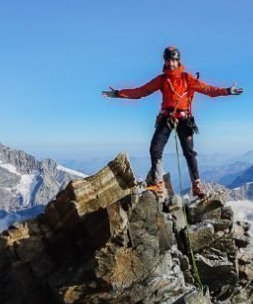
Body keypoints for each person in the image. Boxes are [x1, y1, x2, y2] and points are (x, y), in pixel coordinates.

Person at [102, 46, 243, 197]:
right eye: (168, 60)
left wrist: (227, 91)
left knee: (189, 153)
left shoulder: (187, 78)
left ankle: (196, 185)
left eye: (173, 60)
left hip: (184, 118)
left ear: (178, 61)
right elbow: (140, 92)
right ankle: (158, 183)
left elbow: (208, 89)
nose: (171, 63)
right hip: (167, 117)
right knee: (155, 149)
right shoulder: (162, 80)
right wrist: (118, 93)